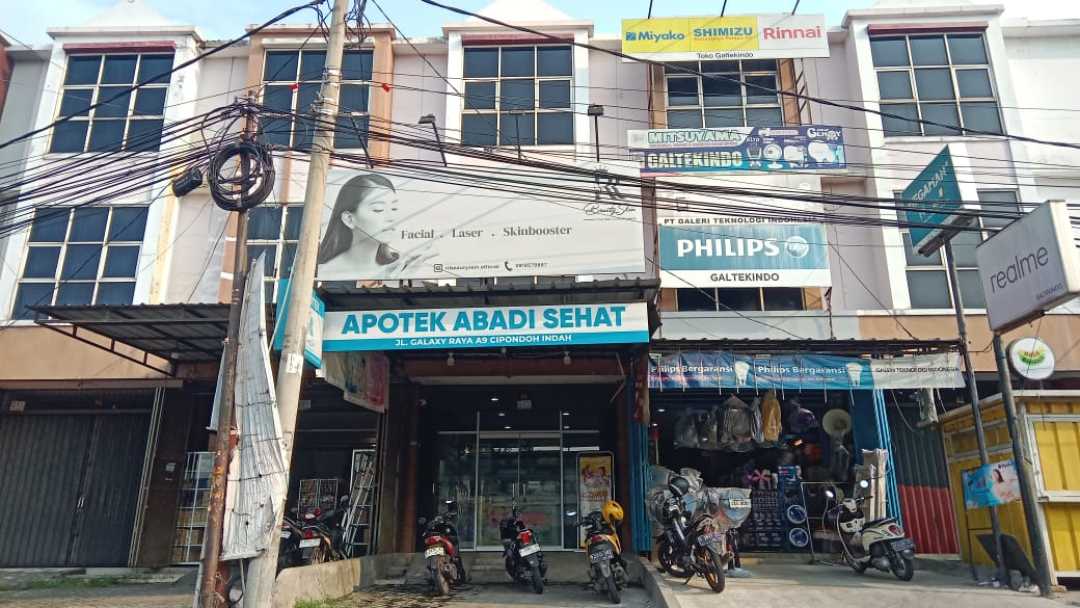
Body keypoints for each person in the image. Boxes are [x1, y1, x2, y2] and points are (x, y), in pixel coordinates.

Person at [317, 173, 435, 279]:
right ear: (349, 219)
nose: (391, 218)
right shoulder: (323, 273)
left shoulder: (398, 268)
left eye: (394, 209)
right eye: (378, 209)